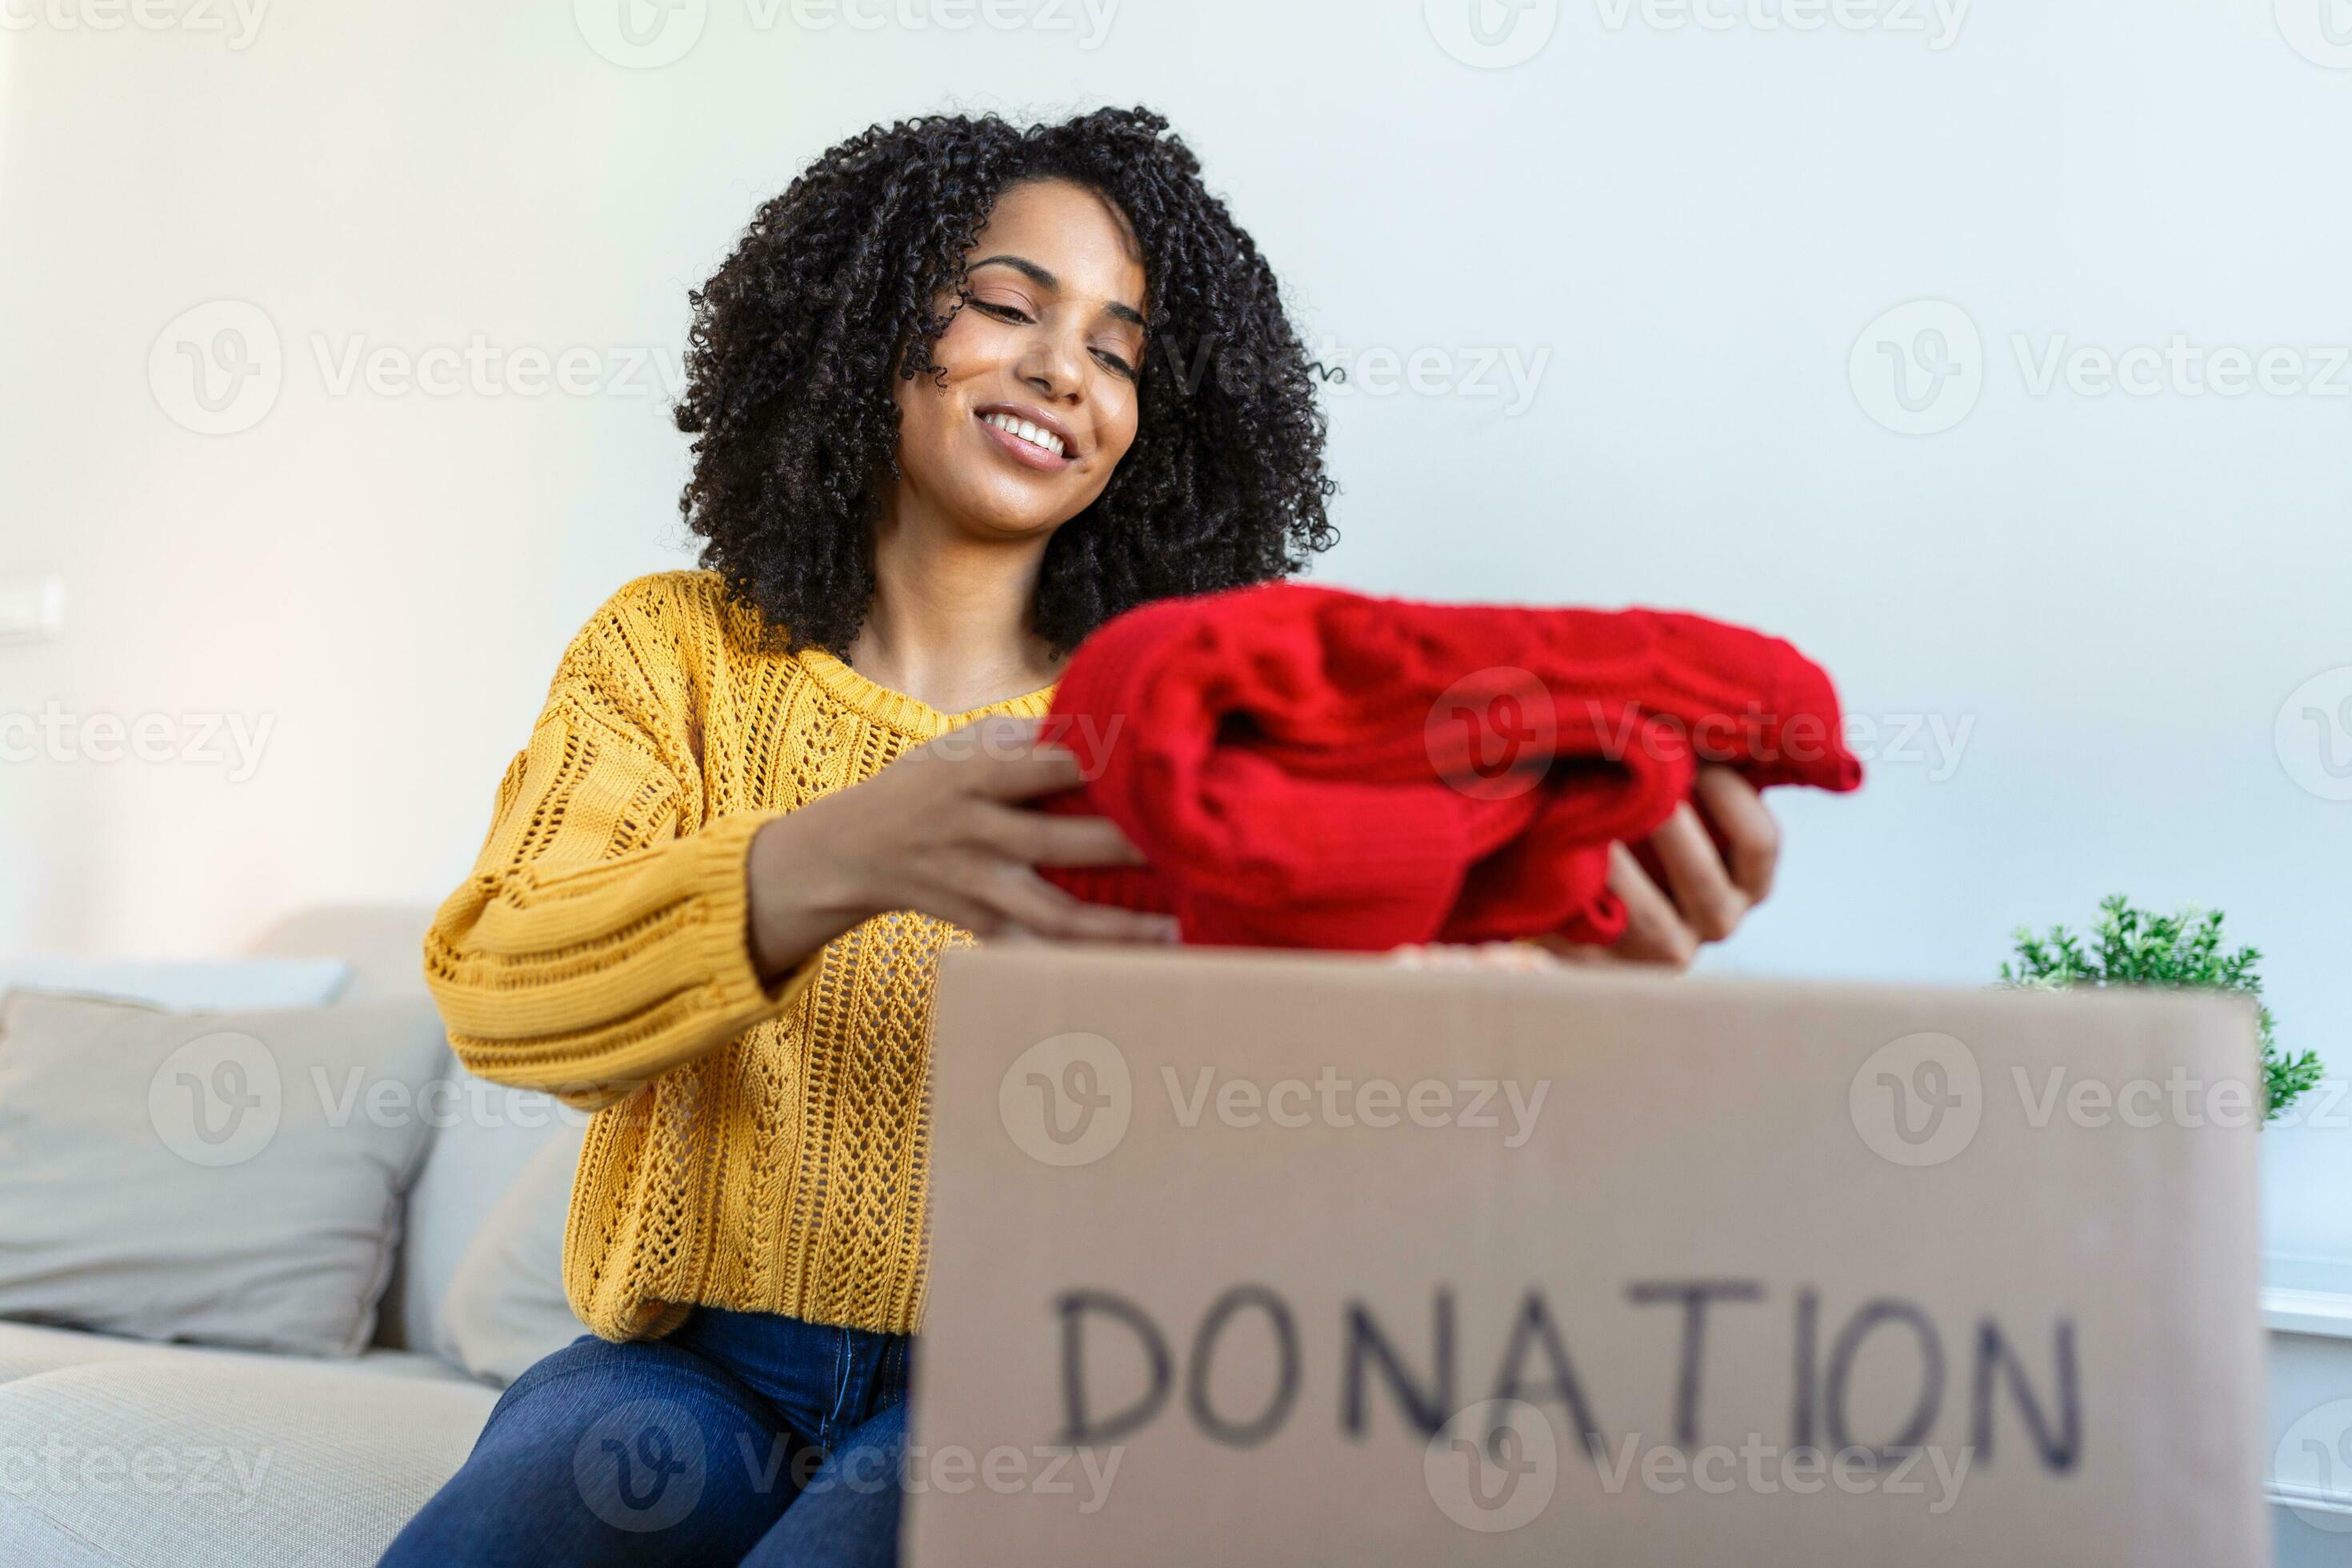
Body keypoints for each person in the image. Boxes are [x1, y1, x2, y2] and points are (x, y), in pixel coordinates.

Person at [380, 104, 1779, 1568]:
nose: (1065, 370)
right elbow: (499, 985)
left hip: (1024, 1382)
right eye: (1008, 305)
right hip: (690, 1364)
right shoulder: (673, 655)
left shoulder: (1190, 734)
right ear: (864, 317)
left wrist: (1553, 969)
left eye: (1120, 351)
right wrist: (840, 854)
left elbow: (1302, 1096)